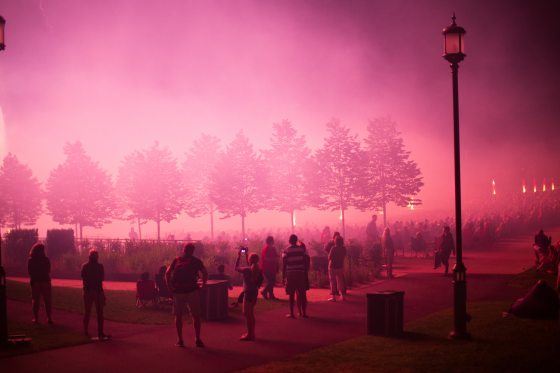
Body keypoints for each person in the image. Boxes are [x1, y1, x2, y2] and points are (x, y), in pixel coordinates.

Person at [165, 243, 208, 348]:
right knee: (196, 316)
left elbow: (167, 273)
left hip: (178, 292)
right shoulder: (196, 261)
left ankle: (180, 340)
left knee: (178, 316)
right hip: (192, 291)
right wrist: (203, 284)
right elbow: (205, 273)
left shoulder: (177, 260)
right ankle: (197, 339)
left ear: (183, 250)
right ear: (193, 251)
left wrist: (170, 288)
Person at [81, 249, 110, 340]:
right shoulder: (99, 266)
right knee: (98, 312)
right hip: (96, 290)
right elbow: (101, 278)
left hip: (90, 291)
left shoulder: (85, 266)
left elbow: (84, 278)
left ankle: (87, 331)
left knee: (89, 312)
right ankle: (99, 331)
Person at [235, 249, 263, 341]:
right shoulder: (257, 269)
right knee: (250, 314)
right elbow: (250, 265)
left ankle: (249, 335)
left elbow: (236, 268)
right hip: (254, 292)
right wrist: (247, 255)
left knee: (247, 314)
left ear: (250, 260)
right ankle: (252, 334)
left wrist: (239, 256)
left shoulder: (247, 270)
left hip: (248, 293)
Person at [283, 234, 308, 318]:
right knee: (302, 293)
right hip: (300, 273)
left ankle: (292, 313)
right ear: (296, 240)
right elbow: (305, 261)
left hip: (291, 273)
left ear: (289, 241)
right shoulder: (302, 249)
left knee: (291, 294)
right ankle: (304, 313)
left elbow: (284, 264)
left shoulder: (286, 250)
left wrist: (283, 276)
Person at [28, 243, 53, 324]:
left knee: (35, 301)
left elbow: (30, 272)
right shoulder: (46, 259)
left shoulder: (31, 260)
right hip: (45, 281)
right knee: (47, 301)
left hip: (35, 281)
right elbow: (48, 270)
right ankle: (49, 318)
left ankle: (36, 318)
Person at [328, 236, 347, 301]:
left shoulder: (333, 248)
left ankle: (333, 297)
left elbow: (329, 257)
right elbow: (344, 255)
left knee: (332, 281)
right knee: (340, 281)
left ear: (335, 241)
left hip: (333, 266)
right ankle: (342, 296)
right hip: (340, 266)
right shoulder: (343, 249)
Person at [260, 236, 279, 300]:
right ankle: (264, 291)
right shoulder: (266, 249)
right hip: (266, 268)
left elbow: (276, 257)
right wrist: (274, 260)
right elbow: (266, 259)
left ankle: (271, 295)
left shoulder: (273, 248)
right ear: (271, 241)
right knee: (271, 282)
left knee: (272, 282)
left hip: (272, 268)